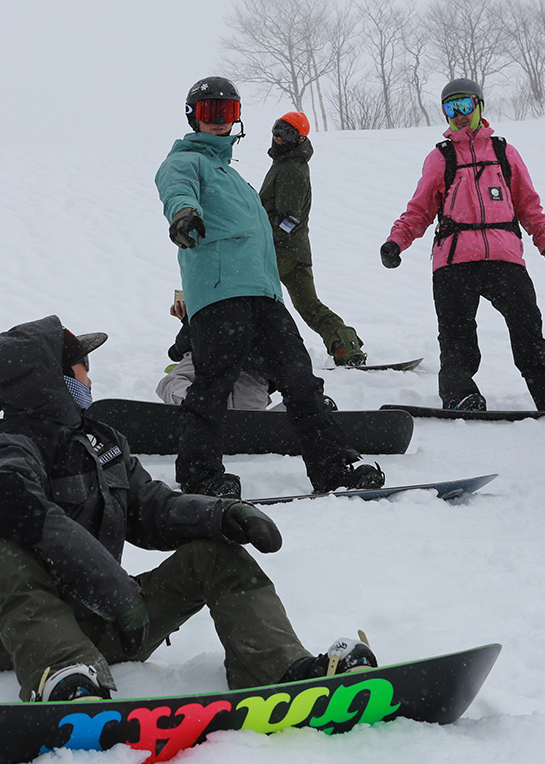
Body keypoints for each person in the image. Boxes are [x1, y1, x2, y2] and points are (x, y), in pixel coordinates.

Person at [0, 316, 376, 702]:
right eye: (82, 366)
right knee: (9, 553)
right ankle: (69, 684)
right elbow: (9, 507)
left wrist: (221, 515)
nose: (90, 376)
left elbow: (152, 507)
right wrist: (114, 589)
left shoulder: (102, 443)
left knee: (215, 555)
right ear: (52, 379)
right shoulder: (10, 445)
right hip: (7, 635)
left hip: (103, 618)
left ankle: (284, 671)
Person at [155, 77, 383, 498]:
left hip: (264, 295)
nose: (220, 122)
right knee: (213, 381)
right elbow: (175, 191)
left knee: (301, 380)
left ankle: (332, 468)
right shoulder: (185, 161)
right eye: (210, 112)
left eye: (229, 113)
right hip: (221, 292)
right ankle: (200, 473)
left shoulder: (237, 179)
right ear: (193, 116)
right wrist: (184, 215)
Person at [380, 78, 545, 413]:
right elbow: (420, 209)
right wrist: (397, 241)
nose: (460, 115)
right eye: (451, 109)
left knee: (528, 330)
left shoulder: (503, 153)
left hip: (504, 257)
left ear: (479, 106)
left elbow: (528, 205)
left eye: (465, 106)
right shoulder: (440, 158)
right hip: (454, 262)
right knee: (456, 337)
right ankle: (459, 396)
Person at [258, 112, 367, 367]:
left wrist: (266, 242)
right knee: (309, 307)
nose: (278, 136)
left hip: (279, 252)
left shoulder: (290, 170)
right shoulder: (287, 165)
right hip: (296, 253)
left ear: (298, 139)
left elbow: (290, 218)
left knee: (249, 299)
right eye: (277, 128)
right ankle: (345, 345)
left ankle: (249, 352)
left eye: (287, 133)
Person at [156, 296, 274, 410]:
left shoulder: (207, 297)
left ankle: (196, 405)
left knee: (170, 382)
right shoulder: (264, 303)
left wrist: (176, 349)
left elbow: (184, 341)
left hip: (209, 357)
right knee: (246, 414)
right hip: (253, 366)